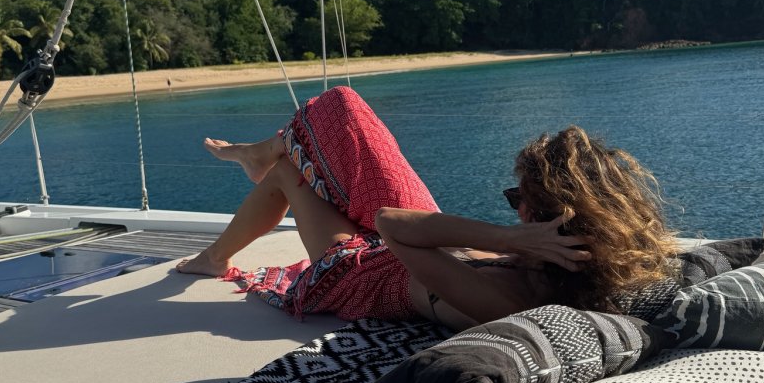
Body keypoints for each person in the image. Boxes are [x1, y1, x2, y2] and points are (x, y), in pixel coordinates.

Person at [176, 86, 679, 329]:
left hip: (357, 271)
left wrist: (507, 239)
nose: (513, 213)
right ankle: (261, 156)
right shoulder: (566, 266)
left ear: (543, 217)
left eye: (517, 201)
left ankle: (221, 245)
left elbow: (388, 224)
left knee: (288, 171)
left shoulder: (512, 300)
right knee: (342, 107)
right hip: (427, 241)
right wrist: (517, 240)